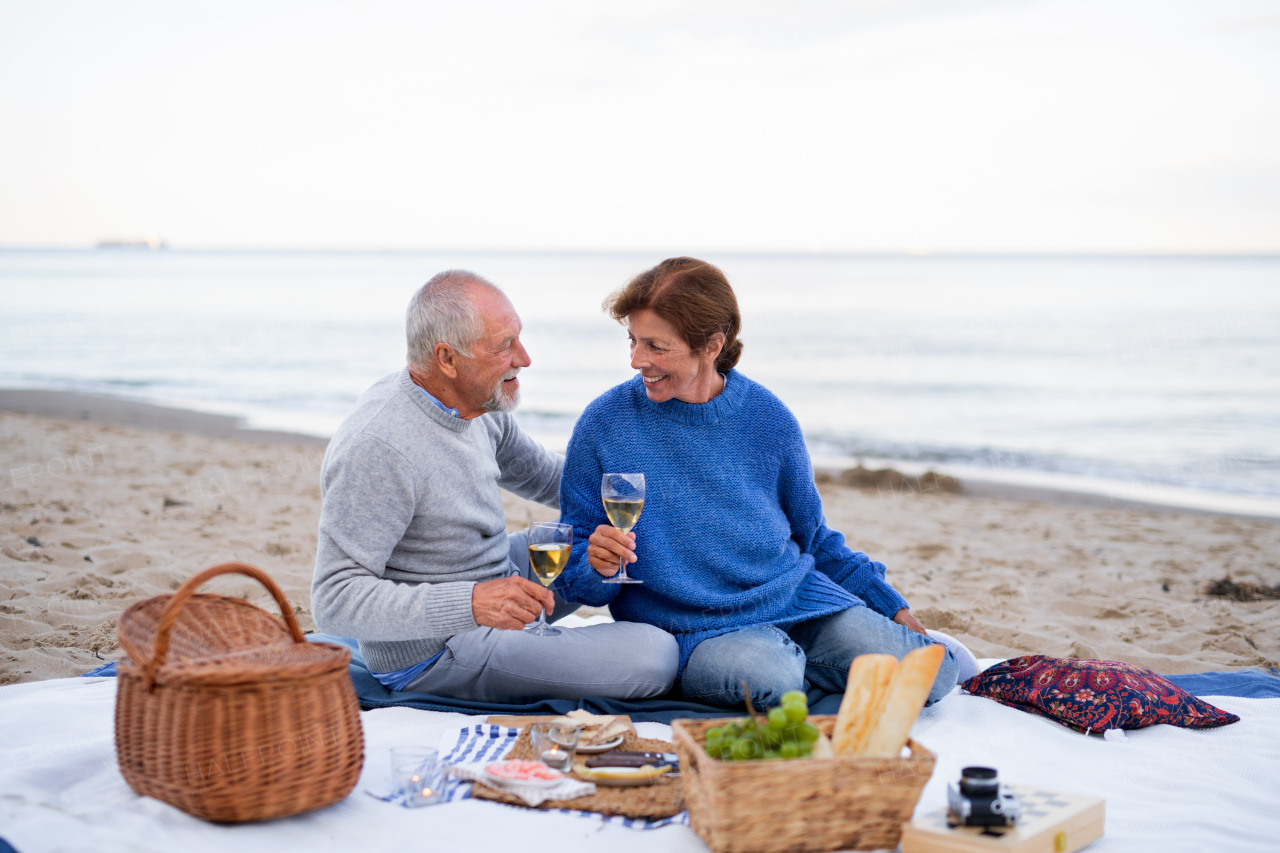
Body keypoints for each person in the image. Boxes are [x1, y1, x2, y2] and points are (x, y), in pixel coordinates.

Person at [555, 257, 969, 708]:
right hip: (694, 627)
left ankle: (812, 660)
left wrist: (889, 604)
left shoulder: (768, 419)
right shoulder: (604, 424)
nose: (638, 361)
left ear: (712, 345)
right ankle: (817, 670)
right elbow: (577, 565)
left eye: (656, 346)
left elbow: (814, 537)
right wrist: (595, 564)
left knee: (936, 673)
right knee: (772, 679)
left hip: (799, 602)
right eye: (633, 341)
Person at [311, 270, 679, 703]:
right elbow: (333, 599)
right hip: (438, 648)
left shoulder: (476, 403)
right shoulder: (379, 446)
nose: (524, 358)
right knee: (656, 656)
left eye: (518, 339)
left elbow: (549, 477)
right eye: (505, 346)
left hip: (496, 576)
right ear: (447, 359)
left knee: (588, 533)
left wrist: (650, 498)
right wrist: (472, 603)